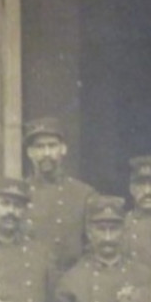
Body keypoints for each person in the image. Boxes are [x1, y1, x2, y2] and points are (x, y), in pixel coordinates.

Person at [22, 116, 97, 272]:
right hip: (30, 282)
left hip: (69, 280)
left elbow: (94, 248)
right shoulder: (20, 194)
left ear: (63, 149)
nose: (46, 153)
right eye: (39, 147)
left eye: (52, 146)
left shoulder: (83, 194)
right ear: (30, 152)